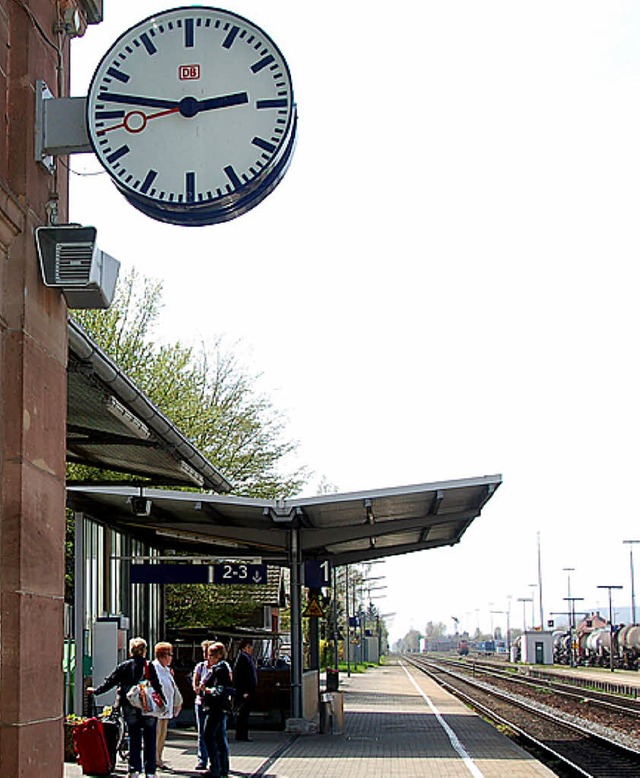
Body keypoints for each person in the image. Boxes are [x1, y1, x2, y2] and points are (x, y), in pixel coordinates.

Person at [88, 636, 166, 778]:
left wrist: (96, 691)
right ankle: (150, 771)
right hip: (147, 707)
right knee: (150, 737)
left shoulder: (124, 666)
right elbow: (156, 685)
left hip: (129, 704)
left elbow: (110, 681)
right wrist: (162, 702)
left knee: (134, 737)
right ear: (144, 651)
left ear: (131, 651)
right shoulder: (149, 666)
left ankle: (134, 769)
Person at [199, 642, 233, 778]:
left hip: (215, 707)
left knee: (208, 736)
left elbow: (218, 690)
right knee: (219, 738)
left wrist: (205, 690)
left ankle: (215, 767)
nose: (209, 659)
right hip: (221, 707)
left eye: (211, 656)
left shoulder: (219, 670)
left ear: (218, 656)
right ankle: (222, 767)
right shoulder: (223, 667)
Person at [152, 641, 182, 771]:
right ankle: (154, 759)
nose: (171, 657)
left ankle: (159, 758)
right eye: (170, 654)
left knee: (162, 734)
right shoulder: (155, 667)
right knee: (157, 734)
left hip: (166, 708)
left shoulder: (166, 670)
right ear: (163, 655)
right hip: (158, 708)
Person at [192, 639, 214, 771]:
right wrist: (198, 688)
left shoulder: (221, 667)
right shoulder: (200, 667)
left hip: (214, 705)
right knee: (201, 732)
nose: (205, 654)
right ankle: (202, 760)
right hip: (201, 702)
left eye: (207, 651)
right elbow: (195, 683)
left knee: (216, 733)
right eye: (204, 651)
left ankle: (215, 760)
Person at [233, 639, 257, 741]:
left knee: (245, 713)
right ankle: (241, 735)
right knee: (243, 713)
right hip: (244, 691)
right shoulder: (242, 659)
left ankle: (243, 734)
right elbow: (241, 677)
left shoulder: (248, 658)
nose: (251, 649)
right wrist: (244, 691)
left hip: (248, 690)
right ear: (244, 648)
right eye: (248, 647)